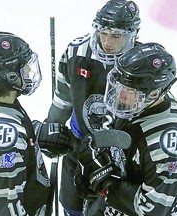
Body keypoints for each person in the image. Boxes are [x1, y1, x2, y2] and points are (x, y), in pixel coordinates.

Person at [76, 42, 177, 215]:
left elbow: (154, 210)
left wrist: (107, 185)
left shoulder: (166, 147)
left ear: (154, 94)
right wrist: (96, 146)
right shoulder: (138, 101)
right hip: (129, 187)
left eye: (127, 91)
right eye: (118, 87)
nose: (119, 95)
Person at [46, 0, 141, 215]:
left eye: (116, 36)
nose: (107, 42)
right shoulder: (76, 52)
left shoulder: (139, 65)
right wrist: (51, 130)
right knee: (71, 208)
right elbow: (62, 99)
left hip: (117, 162)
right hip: (78, 147)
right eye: (103, 33)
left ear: (132, 35)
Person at [0, 32, 72, 216]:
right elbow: (6, 207)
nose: (30, 72)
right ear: (9, 76)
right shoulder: (7, 141)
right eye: (24, 69)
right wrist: (20, 139)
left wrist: (34, 132)